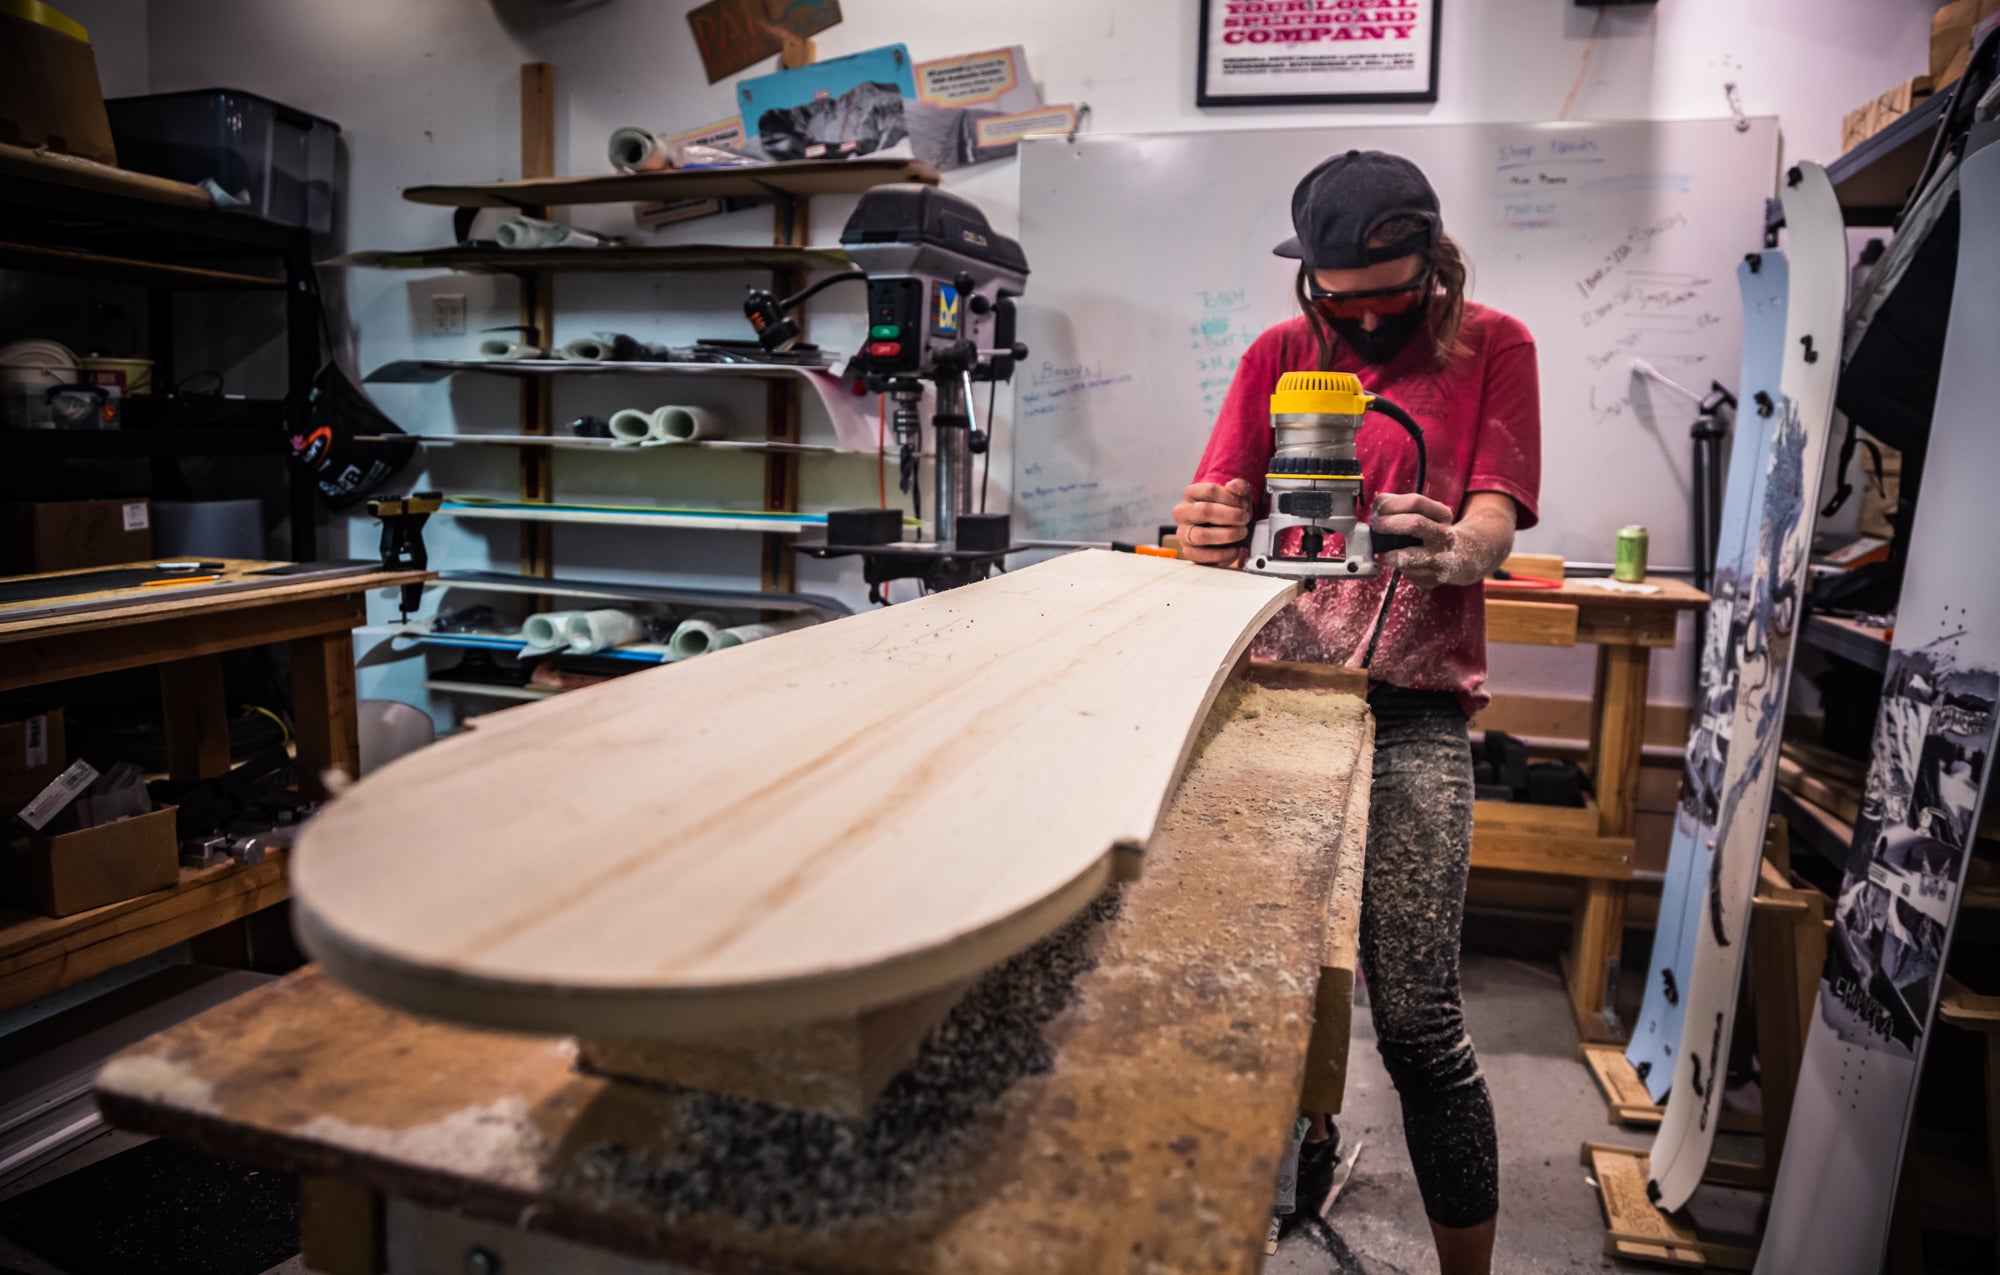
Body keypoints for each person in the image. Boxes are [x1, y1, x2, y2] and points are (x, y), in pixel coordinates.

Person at [1173, 150, 1541, 1275]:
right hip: (1269, 697)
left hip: (1411, 705)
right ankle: (1276, 1177)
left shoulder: (1493, 344)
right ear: (1308, 282)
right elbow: (1209, 514)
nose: (1368, 318)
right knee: (1250, 1005)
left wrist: (1457, 550)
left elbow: (1492, 517)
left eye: (1392, 292)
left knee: (1420, 1021)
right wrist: (1200, 529)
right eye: (1345, 299)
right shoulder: (1278, 354)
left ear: (1433, 262)